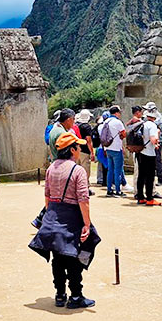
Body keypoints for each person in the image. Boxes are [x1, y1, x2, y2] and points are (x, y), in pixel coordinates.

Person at [29, 132, 99, 309]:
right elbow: (83, 199)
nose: (79, 150)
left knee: (58, 257)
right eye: (78, 147)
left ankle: (60, 294)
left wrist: (49, 216)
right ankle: (76, 296)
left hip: (53, 214)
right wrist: (87, 224)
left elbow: (47, 197)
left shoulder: (51, 168)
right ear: (72, 149)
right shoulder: (78, 170)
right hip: (71, 217)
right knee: (74, 257)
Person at [135, 110, 161, 205]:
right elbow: (153, 139)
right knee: (150, 176)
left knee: (141, 175)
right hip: (149, 153)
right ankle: (150, 198)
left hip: (140, 152)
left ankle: (140, 197)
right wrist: (157, 142)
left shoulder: (143, 124)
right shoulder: (152, 126)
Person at [102, 106, 127, 197]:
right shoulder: (118, 122)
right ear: (116, 113)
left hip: (108, 148)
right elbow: (124, 134)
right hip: (116, 148)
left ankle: (109, 190)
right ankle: (118, 190)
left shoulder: (106, 121)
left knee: (110, 170)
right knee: (118, 171)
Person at [143, 102, 162, 186]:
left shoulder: (158, 118)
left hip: (156, 141)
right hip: (152, 140)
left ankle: (160, 179)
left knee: (157, 160)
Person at [127, 106, 143, 189]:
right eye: (141, 112)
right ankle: (137, 190)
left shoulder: (130, 122)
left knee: (137, 171)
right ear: (137, 112)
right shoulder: (138, 122)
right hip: (138, 149)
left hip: (134, 148)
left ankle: (137, 190)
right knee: (137, 171)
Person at [95, 112, 109, 187]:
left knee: (103, 166)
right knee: (108, 166)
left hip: (100, 148)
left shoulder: (99, 126)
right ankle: (107, 181)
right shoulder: (106, 126)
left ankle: (103, 181)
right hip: (106, 148)